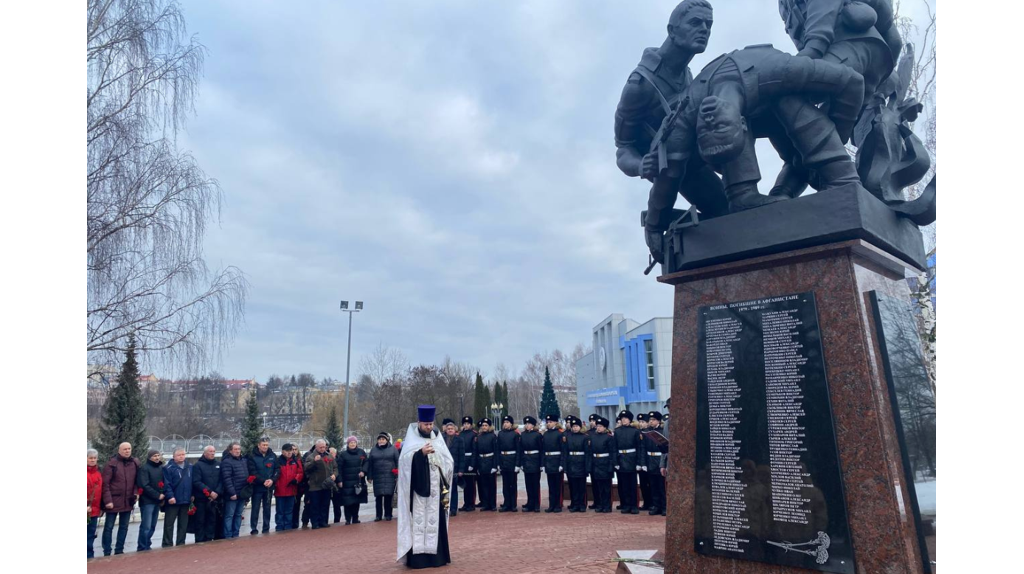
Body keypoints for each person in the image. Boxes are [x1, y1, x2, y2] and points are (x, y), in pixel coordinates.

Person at [614, 0, 733, 264]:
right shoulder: (639, 86)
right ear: (672, 29)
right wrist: (640, 165)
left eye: (708, 25)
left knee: (730, 213)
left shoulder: (688, 74)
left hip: (695, 159)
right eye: (695, 23)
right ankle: (656, 221)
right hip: (669, 169)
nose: (704, 30)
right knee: (723, 214)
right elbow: (622, 148)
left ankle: (673, 222)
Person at [396, 405, 454, 569]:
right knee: (418, 523)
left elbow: (448, 461)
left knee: (436, 522)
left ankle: (437, 558)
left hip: (436, 492)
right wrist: (420, 454)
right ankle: (418, 560)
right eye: (425, 424)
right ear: (418, 423)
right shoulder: (411, 441)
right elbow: (404, 463)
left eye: (430, 424)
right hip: (418, 493)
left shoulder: (437, 439)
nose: (428, 427)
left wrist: (442, 465)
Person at [100, 442, 138, 556]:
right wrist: (108, 501)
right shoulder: (112, 464)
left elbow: (137, 481)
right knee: (109, 527)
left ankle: (119, 549)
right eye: (125, 449)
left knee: (124, 527)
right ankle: (107, 550)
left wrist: (135, 494)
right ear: (119, 450)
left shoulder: (134, 463)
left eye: (129, 449)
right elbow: (105, 484)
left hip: (128, 501)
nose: (127, 451)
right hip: (113, 501)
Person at [614, 410, 646, 514]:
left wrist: (639, 463)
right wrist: (616, 462)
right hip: (621, 459)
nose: (623, 420)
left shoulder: (635, 431)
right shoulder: (617, 431)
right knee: (624, 485)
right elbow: (614, 448)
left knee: (632, 484)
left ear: (630, 420)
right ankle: (626, 505)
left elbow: (640, 447)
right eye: (622, 418)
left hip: (632, 459)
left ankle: (634, 505)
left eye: (626, 418)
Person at [220, 441, 255, 539]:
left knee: (238, 515)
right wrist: (232, 492)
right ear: (230, 451)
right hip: (232, 494)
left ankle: (236, 534)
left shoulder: (244, 461)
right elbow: (227, 478)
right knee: (229, 515)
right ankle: (228, 535)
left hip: (242, 493)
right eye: (235, 449)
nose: (237, 451)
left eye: (239, 449)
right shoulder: (227, 462)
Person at [161, 447, 193, 547]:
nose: (181, 457)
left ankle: (181, 542)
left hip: (186, 499)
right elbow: (167, 484)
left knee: (183, 524)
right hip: (173, 500)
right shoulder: (168, 468)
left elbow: (193, 482)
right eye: (179, 455)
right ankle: (167, 543)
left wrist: (192, 495)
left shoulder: (190, 467)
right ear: (174, 456)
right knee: (169, 524)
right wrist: (170, 496)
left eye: (183, 454)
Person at [303, 439, 338, 529]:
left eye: (324, 447)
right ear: (316, 447)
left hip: (326, 485)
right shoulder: (311, 456)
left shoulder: (329, 456)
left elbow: (335, 467)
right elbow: (306, 468)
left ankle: (324, 521)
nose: (323, 449)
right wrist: (314, 461)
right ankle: (315, 523)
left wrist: (334, 475)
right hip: (315, 485)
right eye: (321, 447)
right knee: (315, 505)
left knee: (325, 505)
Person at [135, 449, 164, 552]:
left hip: (157, 501)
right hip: (147, 501)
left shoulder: (161, 468)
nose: (157, 458)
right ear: (149, 457)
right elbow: (144, 485)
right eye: (154, 456)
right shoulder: (144, 469)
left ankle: (148, 543)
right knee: (146, 526)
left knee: (152, 525)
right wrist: (157, 495)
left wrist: (162, 493)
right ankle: (142, 546)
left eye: (158, 455)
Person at [192, 445, 223, 542]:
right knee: (200, 520)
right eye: (210, 451)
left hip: (215, 499)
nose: (212, 453)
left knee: (212, 519)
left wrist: (217, 492)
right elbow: (196, 481)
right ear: (205, 453)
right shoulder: (198, 465)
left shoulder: (218, 464)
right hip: (201, 499)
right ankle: (200, 540)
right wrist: (209, 492)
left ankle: (210, 538)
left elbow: (222, 480)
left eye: (214, 451)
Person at [248, 437, 279, 535]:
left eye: (267, 445)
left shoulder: (272, 456)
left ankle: (266, 527)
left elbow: (277, 469)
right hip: (257, 487)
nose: (265, 447)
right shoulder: (252, 456)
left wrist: (272, 480)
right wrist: (263, 481)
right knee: (255, 508)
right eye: (263, 445)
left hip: (269, 487)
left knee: (267, 508)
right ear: (259, 445)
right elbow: (252, 471)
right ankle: (254, 528)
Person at [368, 432, 400, 522]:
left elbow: (398, 462)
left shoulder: (393, 449)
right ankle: (378, 515)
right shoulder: (373, 450)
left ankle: (388, 514)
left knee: (388, 496)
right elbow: (370, 464)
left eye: (383, 439)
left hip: (390, 476)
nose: (381, 441)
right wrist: (369, 476)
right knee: (378, 497)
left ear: (387, 440)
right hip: (377, 476)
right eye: (379, 439)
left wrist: (398, 474)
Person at [338, 436, 369, 525]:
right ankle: (348, 519)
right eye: (350, 442)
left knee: (356, 501)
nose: (352, 444)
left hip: (358, 481)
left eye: (354, 442)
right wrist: (340, 480)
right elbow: (339, 468)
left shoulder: (361, 452)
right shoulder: (343, 454)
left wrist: (364, 471)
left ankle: (355, 518)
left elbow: (367, 462)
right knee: (347, 502)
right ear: (348, 444)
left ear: (356, 443)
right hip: (346, 481)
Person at [643, 411, 669, 516]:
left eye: (653, 420)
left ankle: (664, 506)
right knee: (653, 486)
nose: (651, 422)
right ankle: (656, 505)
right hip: (650, 460)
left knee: (661, 486)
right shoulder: (647, 432)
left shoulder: (662, 431)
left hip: (659, 458)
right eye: (650, 420)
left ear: (658, 420)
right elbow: (643, 448)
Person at [274, 443, 304, 531]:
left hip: (291, 490)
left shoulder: (296, 461)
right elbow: (274, 474)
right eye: (287, 451)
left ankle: (288, 526)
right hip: (280, 490)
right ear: (283, 452)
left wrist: (296, 479)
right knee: (280, 511)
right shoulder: (278, 461)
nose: (289, 453)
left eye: (290, 451)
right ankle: (279, 526)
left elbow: (300, 472)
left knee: (289, 511)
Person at [564, 418, 591, 513]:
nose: (575, 428)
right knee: (573, 486)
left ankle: (582, 504)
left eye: (576, 426)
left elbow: (587, 453)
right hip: (571, 463)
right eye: (573, 426)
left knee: (581, 486)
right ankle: (575, 504)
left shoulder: (585, 437)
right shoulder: (568, 436)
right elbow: (565, 452)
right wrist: (565, 466)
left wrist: (587, 467)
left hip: (581, 463)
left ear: (580, 427)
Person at [541, 414, 567, 513]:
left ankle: (558, 504)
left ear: (556, 422)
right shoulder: (546, 434)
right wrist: (543, 463)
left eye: (551, 422)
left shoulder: (560, 434)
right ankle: (551, 505)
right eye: (547, 422)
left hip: (557, 462)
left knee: (558, 485)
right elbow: (543, 450)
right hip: (549, 462)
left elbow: (563, 450)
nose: (549, 424)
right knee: (551, 485)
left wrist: (561, 464)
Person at [590, 417, 616, 513]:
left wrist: (611, 466)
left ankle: (607, 505)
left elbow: (612, 452)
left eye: (600, 426)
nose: (598, 428)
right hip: (596, 463)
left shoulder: (609, 438)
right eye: (597, 426)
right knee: (599, 487)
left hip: (605, 464)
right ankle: (600, 504)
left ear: (605, 427)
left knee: (606, 487)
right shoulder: (593, 437)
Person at [473, 418, 499, 511]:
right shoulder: (479, 437)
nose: (484, 427)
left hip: (490, 460)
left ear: (489, 426)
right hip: (481, 461)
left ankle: (492, 504)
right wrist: (477, 465)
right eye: (483, 425)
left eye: (486, 425)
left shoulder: (493, 436)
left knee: (492, 485)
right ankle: (485, 503)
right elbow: (476, 452)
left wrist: (495, 466)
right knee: (483, 485)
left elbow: (496, 451)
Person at [496, 415, 520, 512]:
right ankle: (506, 503)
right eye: (504, 422)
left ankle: (513, 504)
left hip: (512, 460)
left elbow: (518, 450)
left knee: (512, 484)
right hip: (503, 460)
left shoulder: (515, 434)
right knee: (505, 485)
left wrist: (517, 464)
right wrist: (498, 463)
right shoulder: (500, 434)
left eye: (507, 422)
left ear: (511, 424)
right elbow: (497, 449)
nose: (505, 424)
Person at [519, 416, 543, 512]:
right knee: (528, 484)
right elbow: (520, 449)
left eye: (529, 424)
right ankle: (530, 503)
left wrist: (541, 464)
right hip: (526, 461)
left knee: (535, 484)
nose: (527, 425)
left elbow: (541, 450)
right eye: (526, 424)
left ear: (533, 425)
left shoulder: (537, 435)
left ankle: (536, 504)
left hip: (535, 461)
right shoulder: (523, 435)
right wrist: (521, 463)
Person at [441, 420, 464, 516]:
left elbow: (462, 455)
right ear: (446, 430)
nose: (450, 430)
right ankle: (445, 507)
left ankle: (453, 508)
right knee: (444, 490)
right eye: (448, 429)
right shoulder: (441, 439)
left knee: (453, 489)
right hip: (443, 468)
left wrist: (461, 470)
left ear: (455, 429)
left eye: (451, 429)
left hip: (455, 467)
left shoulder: (459, 440)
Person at [457, 416, 478, 512]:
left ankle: (471, 503)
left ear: (471, 425)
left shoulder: (473, 435)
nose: (466, 425)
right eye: (464, 424)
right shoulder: (460, 434)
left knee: (471, 484)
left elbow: (474, 450)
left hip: (470, 461)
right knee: (464, 484)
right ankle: (466, 503)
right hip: (462, 461)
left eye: (468, 424)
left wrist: (472, 464)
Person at [87, 449, 103, 559]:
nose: (92, 460)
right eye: (90, 458)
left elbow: (101, 490)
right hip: (86, 509)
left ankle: (89, 554)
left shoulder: (98, 473)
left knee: (91, 533)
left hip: (95, 510)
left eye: (94, 458)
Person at [636, 412, 652, 511]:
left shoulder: (650, 433)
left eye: (643, 422)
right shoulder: (637, 433)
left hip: (649, 462)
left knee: (650, 484)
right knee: (643, 484)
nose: (641, 424)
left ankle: (652, 503)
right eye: (640, 422)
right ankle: (646, 502)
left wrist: (645, 463)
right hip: (640, 463)